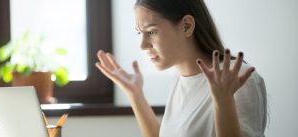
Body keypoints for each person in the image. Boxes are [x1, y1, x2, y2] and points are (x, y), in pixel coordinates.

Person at [95, 0, 267, 137]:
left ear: (187, 26)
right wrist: (135, 94)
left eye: (152, 32)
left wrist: (223, 101)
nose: (142, 45)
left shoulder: (238, 78)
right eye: (139, 33)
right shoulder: (181, 78)